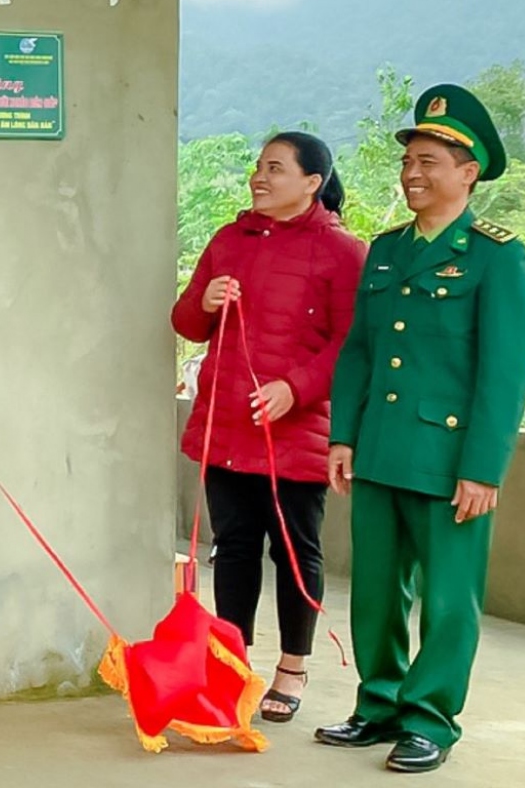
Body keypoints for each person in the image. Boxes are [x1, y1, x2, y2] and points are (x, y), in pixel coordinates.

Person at [315, 85, 525, 773]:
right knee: (377, 592)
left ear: (468, 173)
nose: (413, 173)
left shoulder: (498, 257)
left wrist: (483, 468)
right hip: (380, 448)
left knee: (447, 601)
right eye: (409, 160)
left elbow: (503, 375)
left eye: (430, 162)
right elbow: (359, 351)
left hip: (449, 461)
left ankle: (431, 720)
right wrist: (343, 435)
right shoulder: (385, 251)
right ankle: (377, 705)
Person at [171, 132, 368, 723]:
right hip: (226, 425)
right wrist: (204, 299)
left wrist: (296, 388)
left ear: (312, 183)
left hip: (295, 432)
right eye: (258, 167)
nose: (260, 177)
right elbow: (186, 323)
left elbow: (352, 343)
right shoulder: (228, 239)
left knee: (293, 551)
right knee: (232, 549)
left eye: (275, 169)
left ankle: (293, 666)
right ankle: (234, 665)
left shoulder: (342, 252)